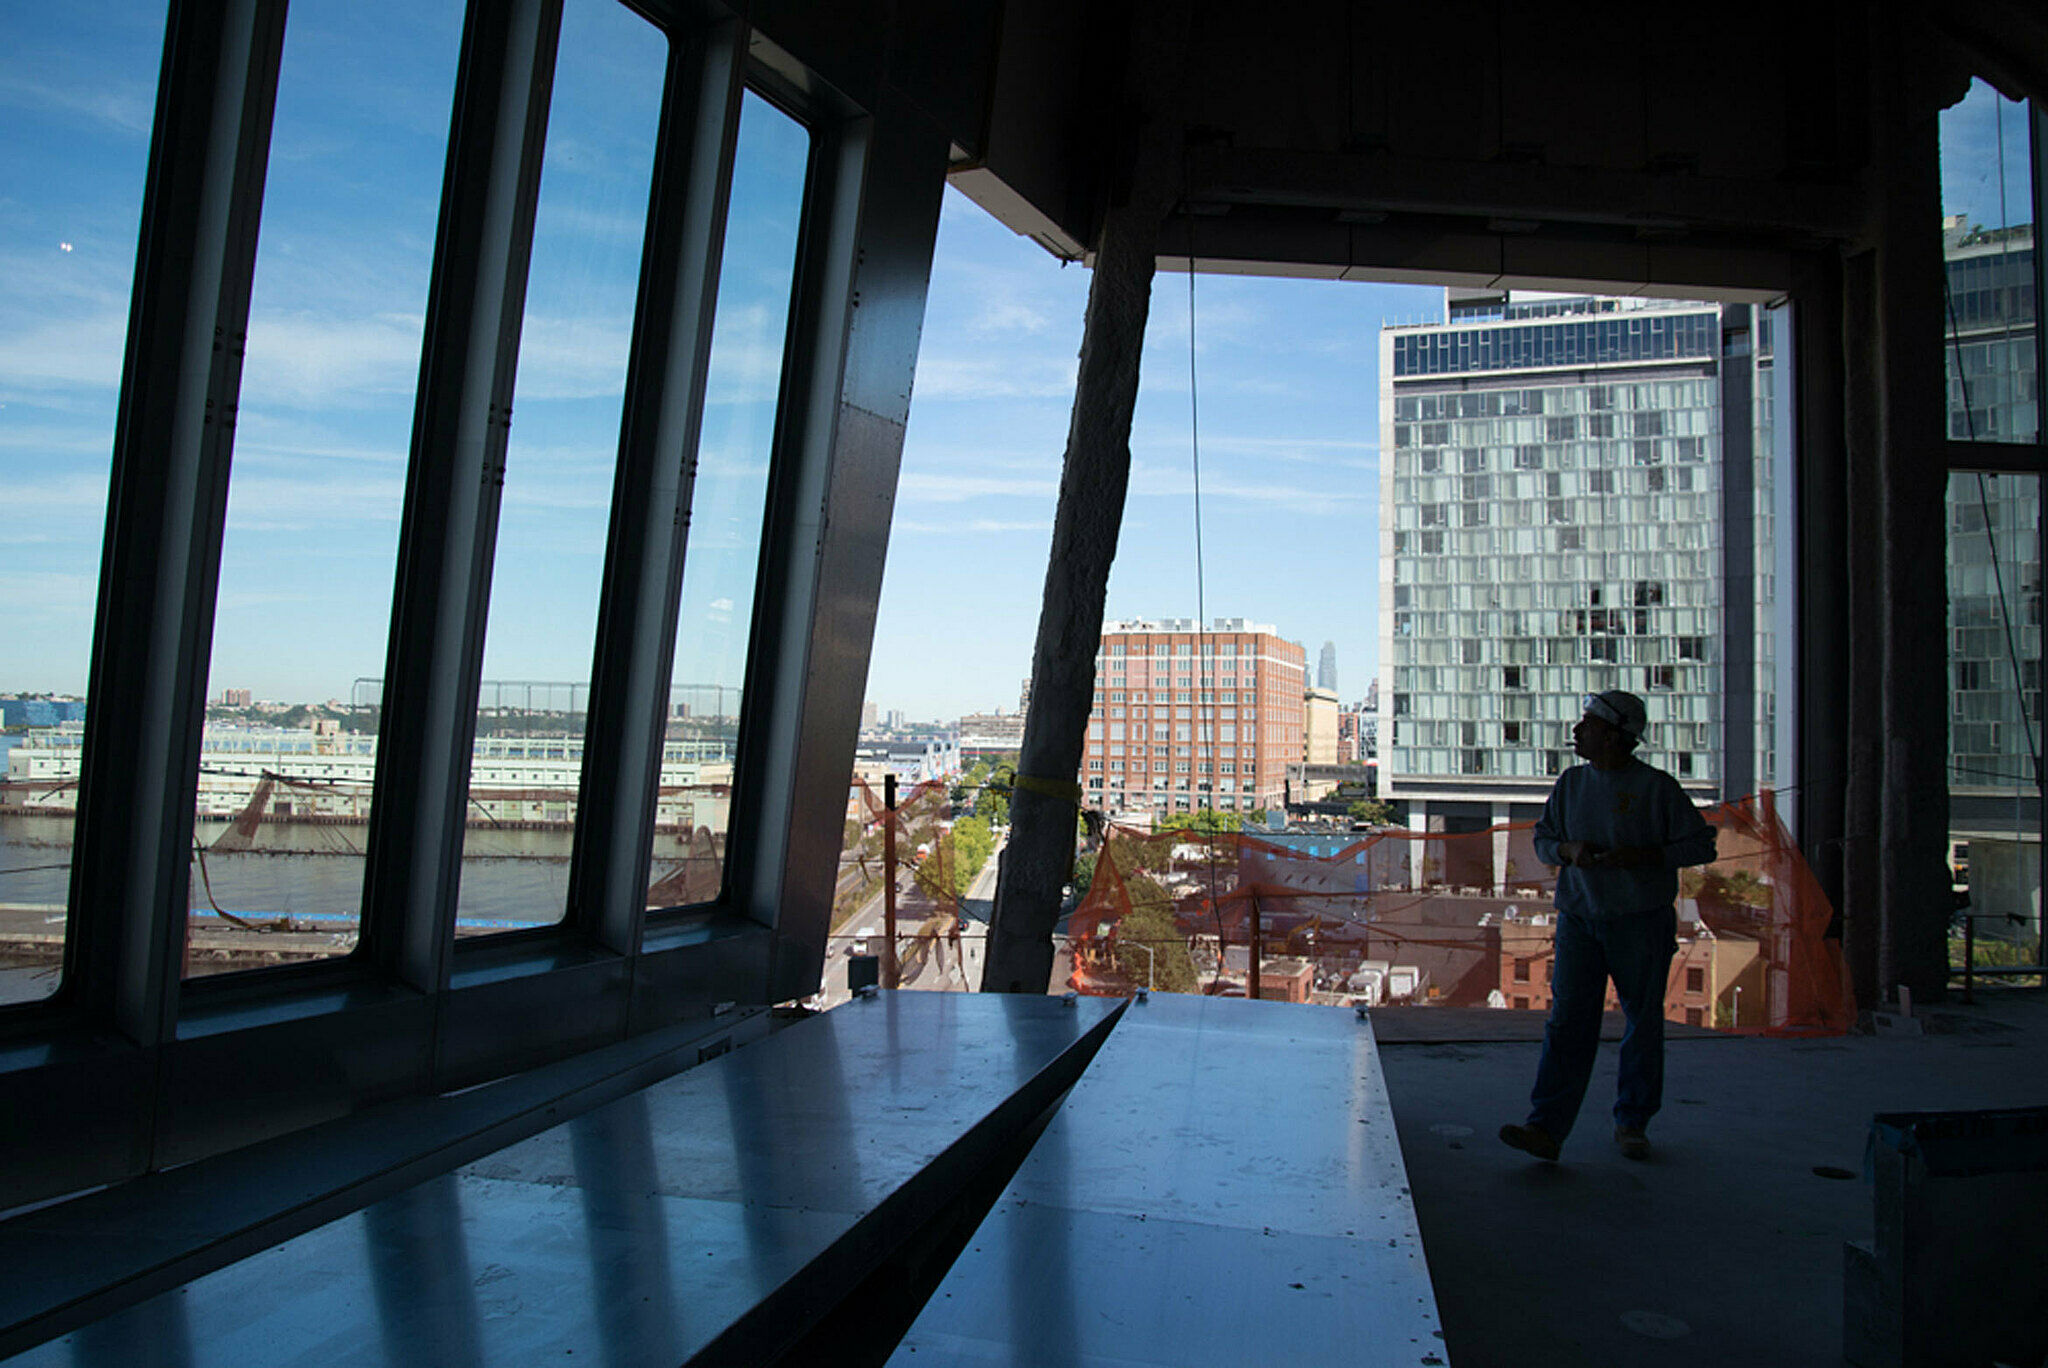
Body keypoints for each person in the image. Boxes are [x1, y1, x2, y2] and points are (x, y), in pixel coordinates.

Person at [1499, 690, 1717, 1162]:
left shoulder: (1656, 790)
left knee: (1641, 1022)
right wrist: (1566, 852)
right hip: (1580, 919)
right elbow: (1544, 840)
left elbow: (1701, 845)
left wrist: (1647, 856)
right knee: (1567, 1024)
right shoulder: (1572, 784)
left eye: (1589, 724)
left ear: (1616, 736)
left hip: (1639, 923)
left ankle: (1632, 1121)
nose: (1577, 732)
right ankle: (1546, 1128)